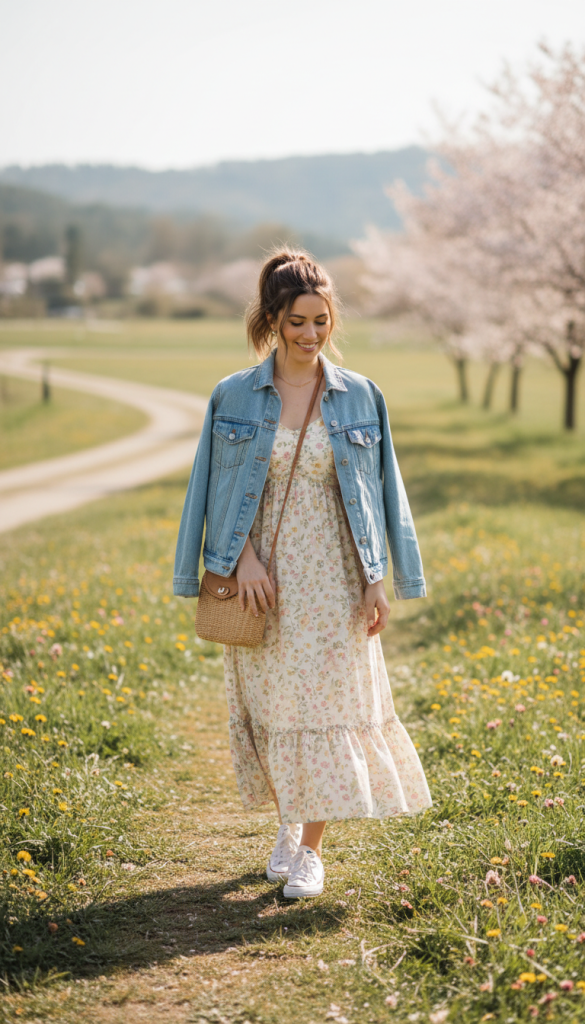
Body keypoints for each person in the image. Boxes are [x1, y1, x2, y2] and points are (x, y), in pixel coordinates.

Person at [173, 249, 432, 898]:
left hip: (336, 582)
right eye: (296, 322)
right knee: (279, 712)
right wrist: (236, 560)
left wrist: (379, 578)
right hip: (263, 584)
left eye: (321, 321)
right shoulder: (232, 395)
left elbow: (381, 492)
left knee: (328, 712)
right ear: (271, 320)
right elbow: (210, 491)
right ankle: (287, 828)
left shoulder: (359, 397)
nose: (311, 334)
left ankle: (311, 851)